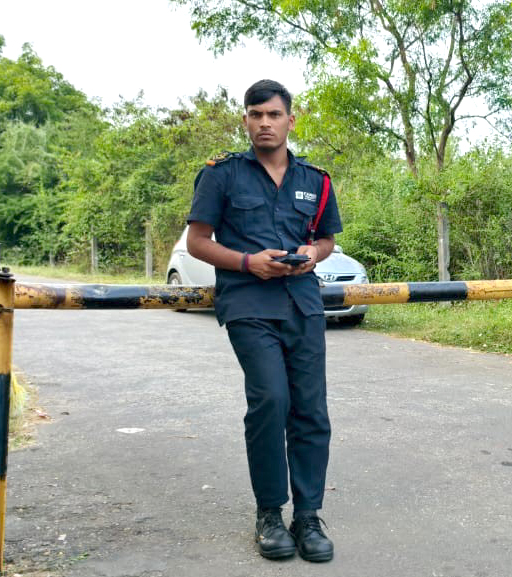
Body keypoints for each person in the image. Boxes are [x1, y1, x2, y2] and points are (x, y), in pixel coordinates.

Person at [185, 79, 340, 563]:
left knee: (311, 409)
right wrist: (249, 262)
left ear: (291, 120)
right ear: (246, 120)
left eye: (273, 115)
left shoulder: (316, 180)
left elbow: (327, 240)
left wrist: (311, 253)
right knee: (271, 400)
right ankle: (270, 512)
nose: (264, 123)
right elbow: (198, 242)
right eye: (255, 115)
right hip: (249, 302)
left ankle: (308, 515)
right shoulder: (221, 175)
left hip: (302, 303)